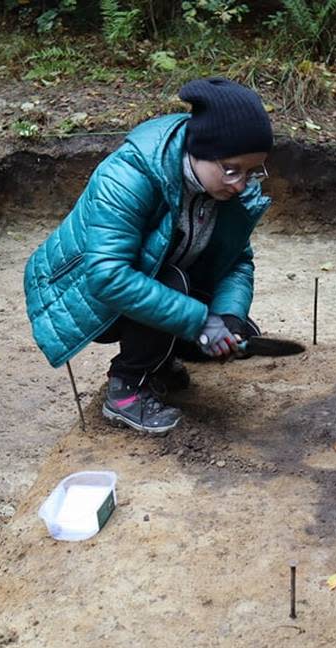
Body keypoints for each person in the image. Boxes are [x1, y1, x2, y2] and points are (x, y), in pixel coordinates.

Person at [23, 76, 273, 434]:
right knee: (175, 284)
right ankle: (125, 389)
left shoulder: (226, 192)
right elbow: (108, 276)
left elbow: (236, 260)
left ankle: (160, 361)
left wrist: (228, 316)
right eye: (232, 170)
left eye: (253, 171)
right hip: (79, 290)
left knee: (220, 314)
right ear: (198, 150)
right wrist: (201, 321)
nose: (241, 184)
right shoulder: (130, 175)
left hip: (148, 278)